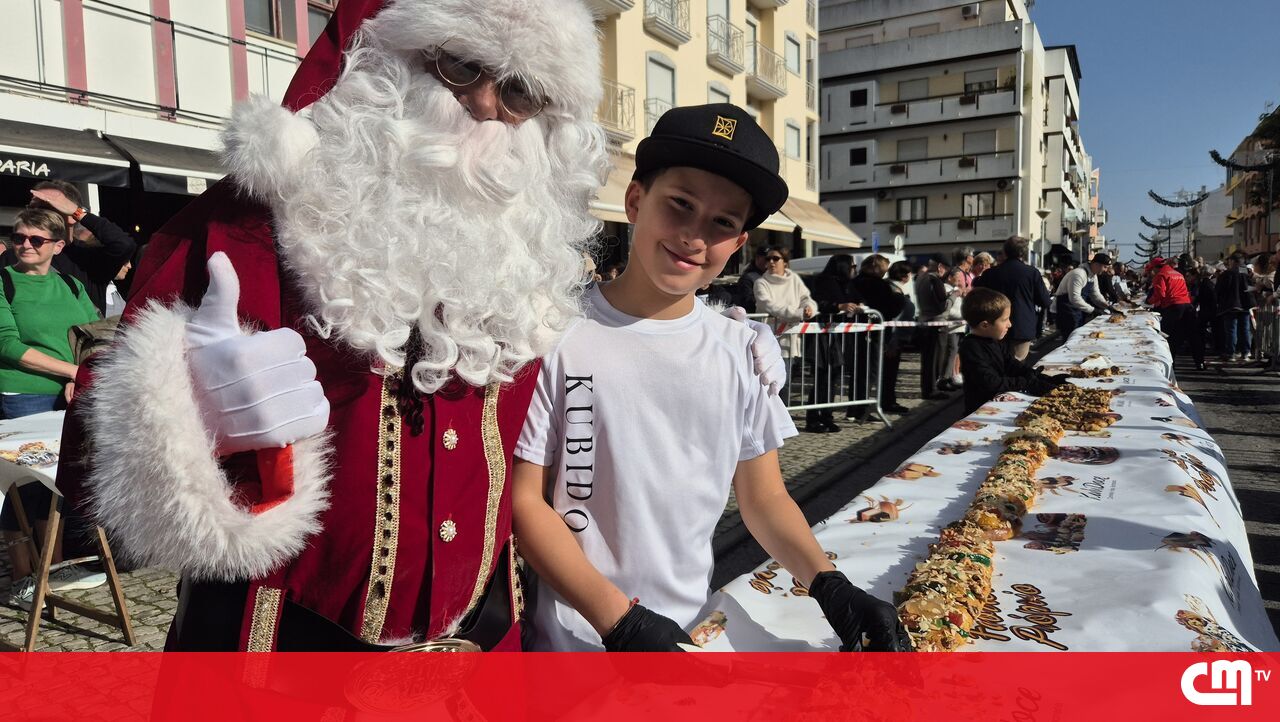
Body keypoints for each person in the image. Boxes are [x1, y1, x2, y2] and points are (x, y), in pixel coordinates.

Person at [58, 0, 785, 652]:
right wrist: (183, 410)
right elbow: (91, 451)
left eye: (521, 92)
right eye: (460, 65)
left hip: (477, 656)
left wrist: (729, 342)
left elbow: (616, 357)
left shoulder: (532, 269)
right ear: (385, 61)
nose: (486, 105)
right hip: (281, 655)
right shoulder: (250, 225)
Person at [512, 103, 907, 653]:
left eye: (723, 222)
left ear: (739, 244)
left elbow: (764, 498)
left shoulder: (742, 352)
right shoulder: (555, 334)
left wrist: (830, 585)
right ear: (635, 201)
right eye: (680, 204)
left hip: (691, 633)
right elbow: (526, 501)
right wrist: (618, 621)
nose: (695, 235)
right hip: (571, 642)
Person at [1, 209, 105, 609]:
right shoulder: (3, 282)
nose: (25, 245)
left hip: (68, 396)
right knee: (23, 487)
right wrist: (74, 372)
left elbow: (92, 331)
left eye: (36, 239)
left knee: (55, 484)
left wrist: (79, 374)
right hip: (23, 396)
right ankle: (22, 578)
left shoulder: (71, 284)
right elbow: (8, 345)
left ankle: (54, 568)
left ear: (58, 246)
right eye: (18, 237)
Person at [9, 180, 136, 316]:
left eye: (45, 207)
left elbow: (123, 244)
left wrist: (78, 212)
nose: (35, 215)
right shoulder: (16, 255)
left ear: (71, 215)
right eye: (31, 208)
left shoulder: (89, 259)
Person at [958, 288, 1067, 415]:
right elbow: (990, 382)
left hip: (1001, 403)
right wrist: (1026, 382)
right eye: (1004, 320)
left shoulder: (993, 341)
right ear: (985, 325)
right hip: (981, 410)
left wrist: (1042, 378)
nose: (1009, 324)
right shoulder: (971, 347)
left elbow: (1012, 364)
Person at [974, 237, 1050, 361]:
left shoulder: (991, 273)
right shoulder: (1031, 273)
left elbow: (976, 291)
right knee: (1017, 365)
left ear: (1005, 251)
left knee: (996, 364)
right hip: (1022, 327)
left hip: (995, 326)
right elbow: (1044, 301)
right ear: (1023, 253)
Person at [850, 254, 907, 418]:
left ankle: (856, 407)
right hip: (874, 334)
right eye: (884, 268)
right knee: (870, 372)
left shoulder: (856, 282)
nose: (885, 272)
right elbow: (888, 307)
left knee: (860, 372)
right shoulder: (877, 284)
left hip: (859, 332)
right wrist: (899, 298)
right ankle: (861, 409)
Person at [809, 253, 862, 431]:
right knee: (822, 377)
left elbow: (854, 299)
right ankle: (813, 418)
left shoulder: (846, 283)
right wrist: (838, 306)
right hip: (822, 335)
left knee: (833, 377)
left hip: (837, 336)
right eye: (852, 266)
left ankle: (827, 415)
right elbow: (818, 304)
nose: (854, 270)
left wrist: (858, 306)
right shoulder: (824, 281)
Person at [755, 245, 818, 364]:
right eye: (768, 259)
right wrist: (799, 313)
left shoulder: (794, 279)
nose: (771, 262)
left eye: (775, 258)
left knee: (789, 373)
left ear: (785, 262)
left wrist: (809, 309)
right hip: (770, 338)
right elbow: (769, 305)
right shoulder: (761, 283)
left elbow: (805, 298)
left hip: (791, 338)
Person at [1149, 256, 1203, 370]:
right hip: (1187, 306)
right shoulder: (1178, 274)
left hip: (1173, 307)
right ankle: (1200, 363)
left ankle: (1170, 364)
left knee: (1168, 336)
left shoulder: (1161, 275)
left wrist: (1149, 302)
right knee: (1193, 336)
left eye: (1152, 269)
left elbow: (1160, 294)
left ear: (1155, 267)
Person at [879, 261, 915, 413]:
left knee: (890, 372)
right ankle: (888, 402)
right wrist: (893, 342)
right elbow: (894, 319)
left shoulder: (893, 287)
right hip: (893, 338)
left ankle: (889, 400)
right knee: (889, 372)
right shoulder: (893, 290)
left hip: (895, 337)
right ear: (905, 276)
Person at [914, 253, 950, 399]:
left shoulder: (920, 277)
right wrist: (953, 295)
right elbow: (942, 305)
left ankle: (927, 388)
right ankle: (932, 390)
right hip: (936, 323)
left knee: (927, 359)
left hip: (924, 320)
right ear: (940, 266)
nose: (946, 272)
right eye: (946, 268)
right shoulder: (935, 280)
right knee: (935, 359)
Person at [1053, 253, 1112, 339]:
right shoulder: (1079, 274)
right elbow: (1074, 298)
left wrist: (1107, 306)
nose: (1106, 270)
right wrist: (1093, 310)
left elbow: (1096, 295)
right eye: (1105, 267)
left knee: (1077, 336)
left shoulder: (1093, 276)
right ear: (1096, 264)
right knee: (1070, 338)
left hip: (1078, 310)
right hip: (1066, 310)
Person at [1215, 252, 1254, 362]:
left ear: (1232, 261)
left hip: (1230, 305)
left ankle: (1231, 353)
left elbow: (1219, 290)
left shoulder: (1227, 274)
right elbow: (1251, 287)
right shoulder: (1245, 272)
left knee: (1231, 330)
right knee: (1245, 329)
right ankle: (1245, 352)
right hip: (1245, 305)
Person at [735, 246, 771, 312]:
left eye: (774, 259)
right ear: (757, 258)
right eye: (767, 259)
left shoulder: (773, 276)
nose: (770, 262)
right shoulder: (747, 278)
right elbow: (747, 300)